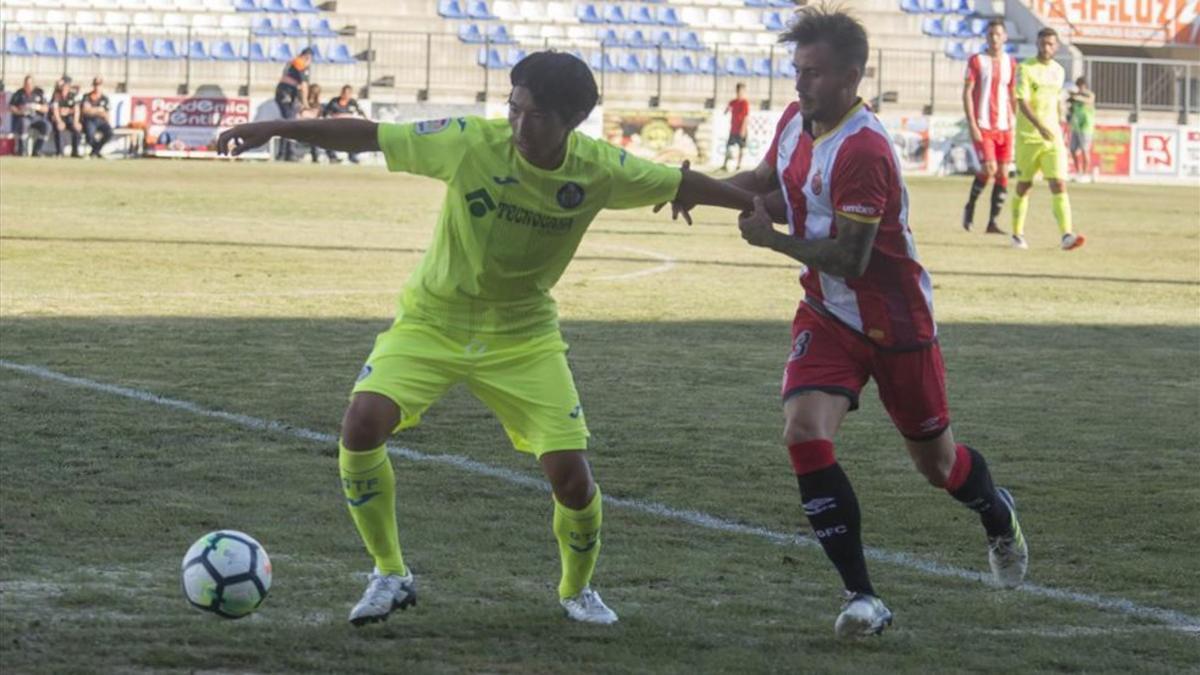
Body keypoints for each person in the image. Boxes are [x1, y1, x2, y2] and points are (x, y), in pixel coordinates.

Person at [216, 51, 756, 628]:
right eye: (514, 108)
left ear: (572, 120)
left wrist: (751, 202)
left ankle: (577, 591)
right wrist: (273, 126)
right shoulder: (470, 140)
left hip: (524, 337)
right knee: (361, 423)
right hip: (433, 320)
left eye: (538, 116)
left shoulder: (602, 168)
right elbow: (370, 135)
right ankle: (389, 572)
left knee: (572, 479)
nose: (521, 126)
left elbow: (680, 181)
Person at [665, 6, 1029, 639]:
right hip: (827, 312)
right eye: (798, 71)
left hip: (895, 323)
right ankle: (863, 596)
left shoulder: (864, 149)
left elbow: (853, 257)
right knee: (804, 430)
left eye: (814, 73)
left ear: (852, 76)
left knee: (939, 467)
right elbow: (765, 183)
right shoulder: (795, 120)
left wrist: (772, 241)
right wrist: (698, 185)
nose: (801, 84)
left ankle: (996, 512)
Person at [1011, 28, 1085, 250]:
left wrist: (1061, 123)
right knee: (1024, 186)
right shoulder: (1025, 69)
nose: (1047, 47)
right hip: (1028, 137)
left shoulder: (1059, 71)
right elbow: (1022, 102)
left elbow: (1054, 102)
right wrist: (1040, 126)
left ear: (1057, 46)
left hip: (1052, 137)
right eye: (1043, 43)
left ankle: (1066, 235)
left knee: (1059, 183)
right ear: (1037, 43)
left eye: (1051, 44)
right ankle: (1017, 234)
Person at [961, 19, 1016, 235]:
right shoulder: (977, 61)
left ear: (1005, 38)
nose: (994, 38)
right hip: (983, 125)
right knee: (990, 169)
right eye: (991, 34)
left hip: (1005, 126)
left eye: (998, 34)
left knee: (1003, 172)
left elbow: (1012, 94)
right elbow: (967, 93)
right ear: (986, 37)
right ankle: (970, 206)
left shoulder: (1011, 63)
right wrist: (972, 123)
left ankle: (992, 222)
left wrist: (1015, 120)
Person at [274, 47, 313, 161]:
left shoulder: (293, 62)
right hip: (286, 93)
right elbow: (304, 85)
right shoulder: (300, 63)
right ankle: (285, 153)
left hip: (286, 92)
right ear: (307, 56)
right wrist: (305, 103)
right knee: (289, 122)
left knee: (289, 122)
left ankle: (285, 153)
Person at [321, 85, 368, 163]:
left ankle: (352, 157)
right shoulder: (334, 101)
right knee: (328, 137)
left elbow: (361, 112)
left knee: (353, 137)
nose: (345, 94)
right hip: (335, 125)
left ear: (350, 94)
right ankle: (333, 157)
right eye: (344, 92)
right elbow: (325, 113)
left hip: (348, 126)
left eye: (348, 93)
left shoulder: (353, 102)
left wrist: (366, 119)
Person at [8, 75, 50, 157]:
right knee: (23, 124)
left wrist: (37, 107)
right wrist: (20, 111)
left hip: (37, 118)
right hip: (24, 117)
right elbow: (11, 107)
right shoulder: (18, 93)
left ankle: (37, 151)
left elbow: (46, 108)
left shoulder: (39, 92)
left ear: (33, 84)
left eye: (30, 84)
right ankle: (22, 151)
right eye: (26, 84)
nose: (28, 86)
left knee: (47, 126)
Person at [1067, 76, 1096, 182]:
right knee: (1073, 149)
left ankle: (1085, 173)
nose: (1080, 88)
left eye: (1081, 85)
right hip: (1076, 126)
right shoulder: (1075, 96)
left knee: (1084, 150)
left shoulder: (1089, 94)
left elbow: (1089, 100)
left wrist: (1076, 97)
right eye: (1078, 86)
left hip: (1086, 127)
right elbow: (1070, 108)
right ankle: (1078, 172)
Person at [79, 76, 113, 158]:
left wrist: (92, 110)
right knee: (90, 135)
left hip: (101, 121)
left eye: (99, 85)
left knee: (110, 133)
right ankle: (96, 152)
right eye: (95, 85)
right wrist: (98, 110)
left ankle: (95, 151)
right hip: (89, 120)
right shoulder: (87, 96)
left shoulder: (105, 98)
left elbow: (106, 114)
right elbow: (85, 111)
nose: (97, 87)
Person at [49, 77, 82, 158]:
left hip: (70, 118)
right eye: (62, 85)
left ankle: (75, 152)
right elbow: (55, 110)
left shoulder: (73, 95)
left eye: (65, 85)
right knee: (59, 127)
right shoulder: (56, 95)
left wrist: (76, 122)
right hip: (59, 118)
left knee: (77, 128)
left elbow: (76, 109)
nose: (64, 87)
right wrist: (59, 121)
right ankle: (59, 152)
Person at [721, 82, 750, 172]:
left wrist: (743, 129)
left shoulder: (745, 103)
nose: (740, 93)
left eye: (741, 91)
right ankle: (725, 165)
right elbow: (725, 112)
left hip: (741, 129)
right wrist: (727, 109)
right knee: (728, 147)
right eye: (738, 91)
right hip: (733, 129)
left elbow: (746, 117)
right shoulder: (733, 102)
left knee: (742, 148)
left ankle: (738, 165)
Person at [299, 83, 325, 163]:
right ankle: (315, 157)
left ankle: (330, 156)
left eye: (316, 93)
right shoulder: (302, 102)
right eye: (313, 92)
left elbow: (319, 117)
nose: (314, 94)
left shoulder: (319, 105)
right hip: (302, 126)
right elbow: (300, 115)